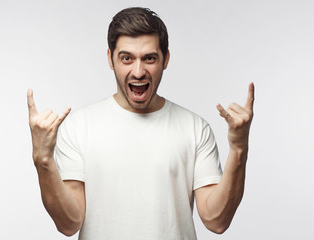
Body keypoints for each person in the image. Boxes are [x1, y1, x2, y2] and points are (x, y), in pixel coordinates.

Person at [27, 7, 254, 240]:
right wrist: (43, 159)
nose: (138, 71)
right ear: (110, 59)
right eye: (127, 58)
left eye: (149, 58)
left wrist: (238, 149)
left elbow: (217, 221)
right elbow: (68, 224)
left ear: (165, 59)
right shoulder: (79, 126)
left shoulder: (195, 129)